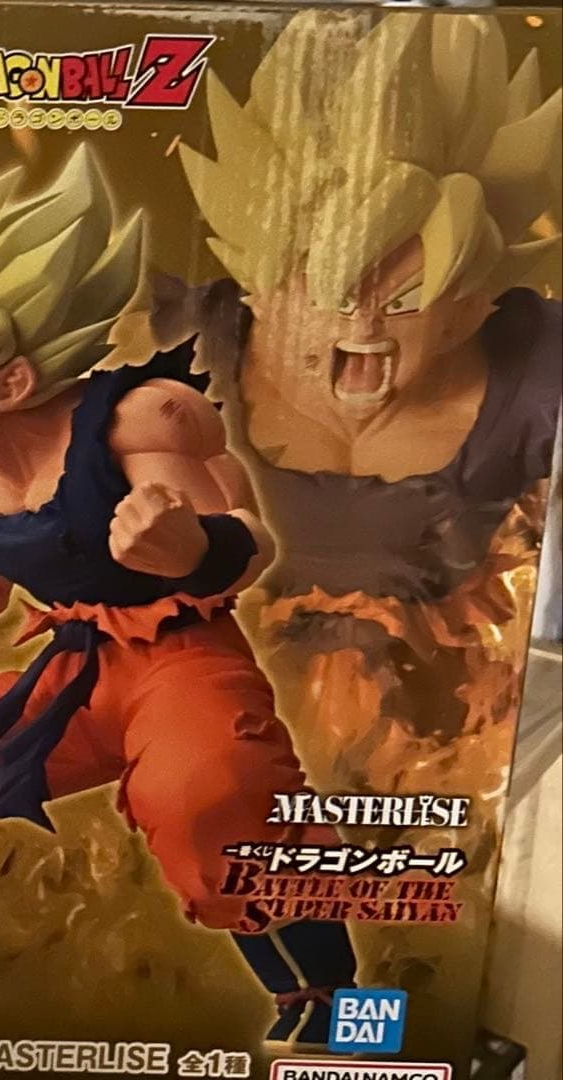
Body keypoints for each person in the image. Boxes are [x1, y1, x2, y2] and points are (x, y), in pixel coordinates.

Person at [0, 144, 356, 1046]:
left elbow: (248, 542)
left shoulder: (136, 422)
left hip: (180, 659)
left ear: (13, 379)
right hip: (73, 675)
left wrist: (186, 547)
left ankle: (329, 1002)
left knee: (208, 792)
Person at [174, 11, 561, 762]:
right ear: (260, 292)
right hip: (218, 705)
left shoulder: (541, 370)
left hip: (456, 732)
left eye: (406, 297)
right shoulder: (175, 343)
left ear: (469, 306)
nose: (363, 320)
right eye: (327, 291)